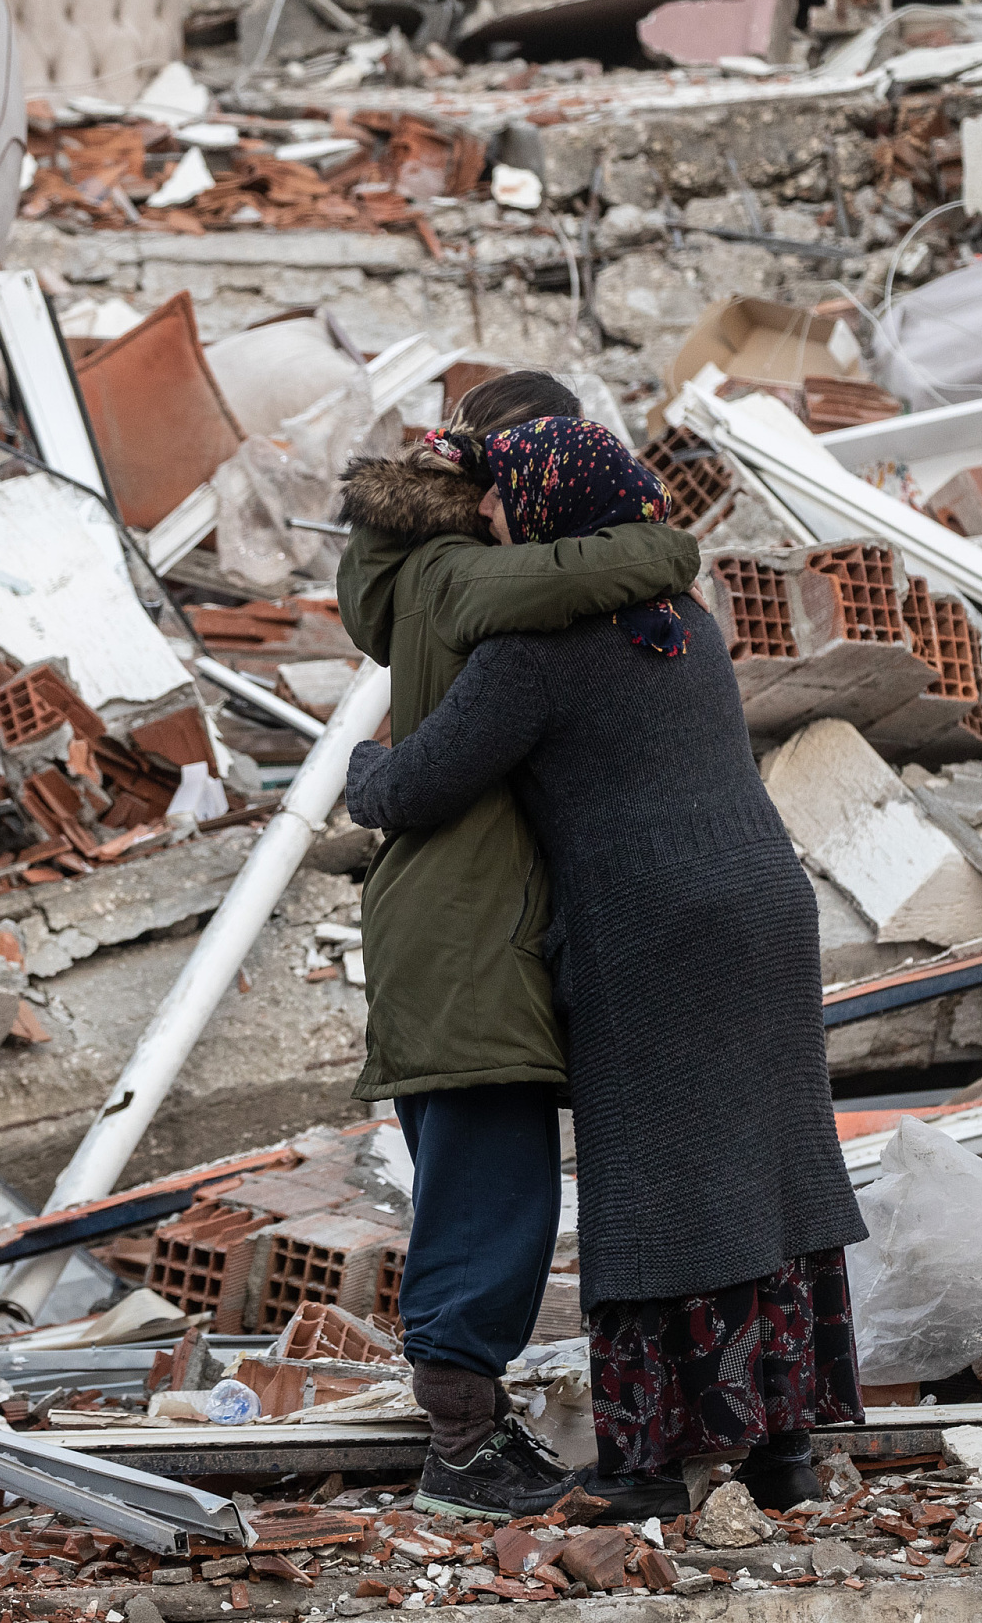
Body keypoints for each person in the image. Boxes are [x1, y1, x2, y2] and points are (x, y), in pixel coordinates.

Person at [343, 416, 868, 1521]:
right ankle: (781, 1454)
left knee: (650, 1188)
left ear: (545, 511)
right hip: (769, 906)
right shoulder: (692, 621)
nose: (484, 512)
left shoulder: (536, 654)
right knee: (766, 1171)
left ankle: (640, 1469)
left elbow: (412, 792)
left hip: (652, 926)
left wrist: (364, 757)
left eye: (499, 496)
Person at [336, 372, 703, 1522]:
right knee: (490, 1198)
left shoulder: (409, 576)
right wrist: (667, 548)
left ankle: (467, 1433)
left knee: (480, 1185)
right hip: (466, 932)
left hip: (459, 923)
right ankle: (459, 1450)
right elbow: (587, 568)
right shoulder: (454, 578)